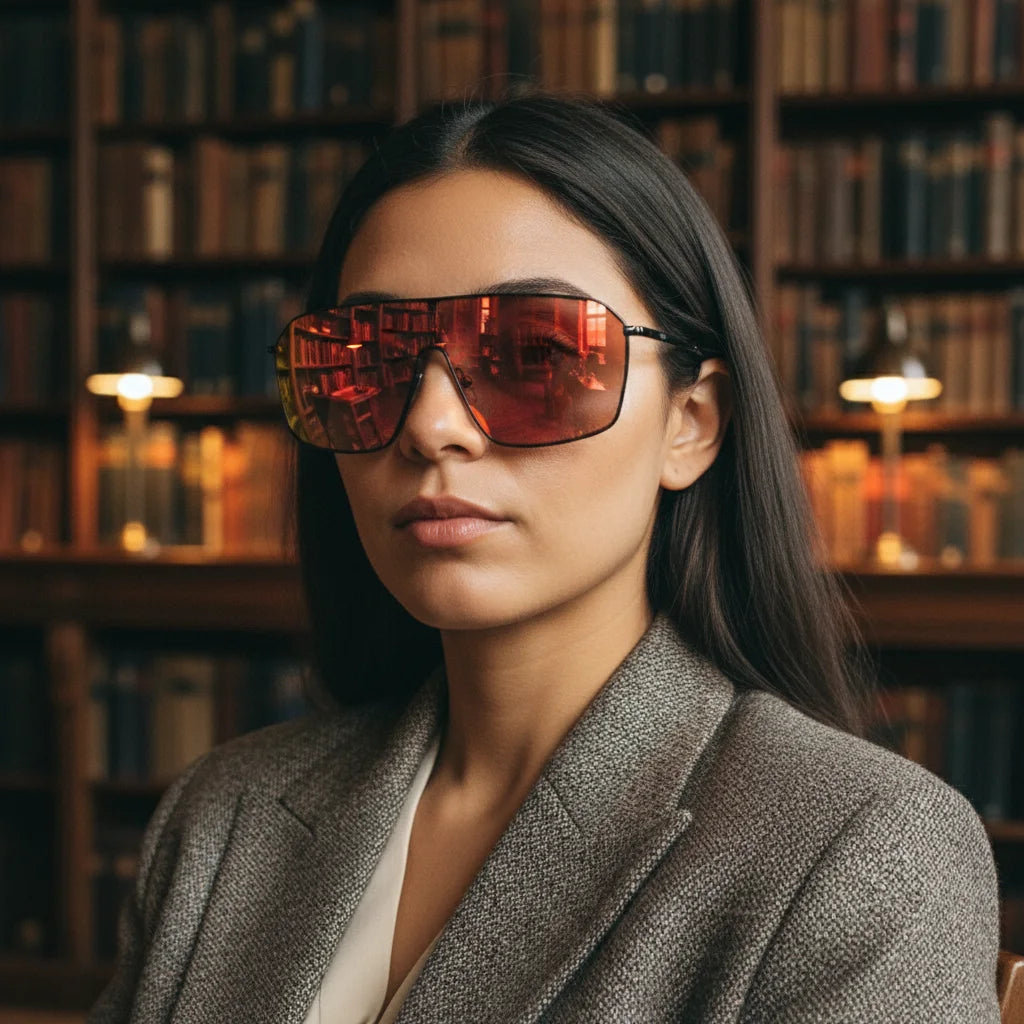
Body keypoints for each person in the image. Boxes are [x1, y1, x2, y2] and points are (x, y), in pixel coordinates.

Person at [88, 93, 1000, 1023]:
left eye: (534, 356)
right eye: (368, 359)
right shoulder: (224, 818)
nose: (431, 425)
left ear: (690, 424)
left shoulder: (861, 853)